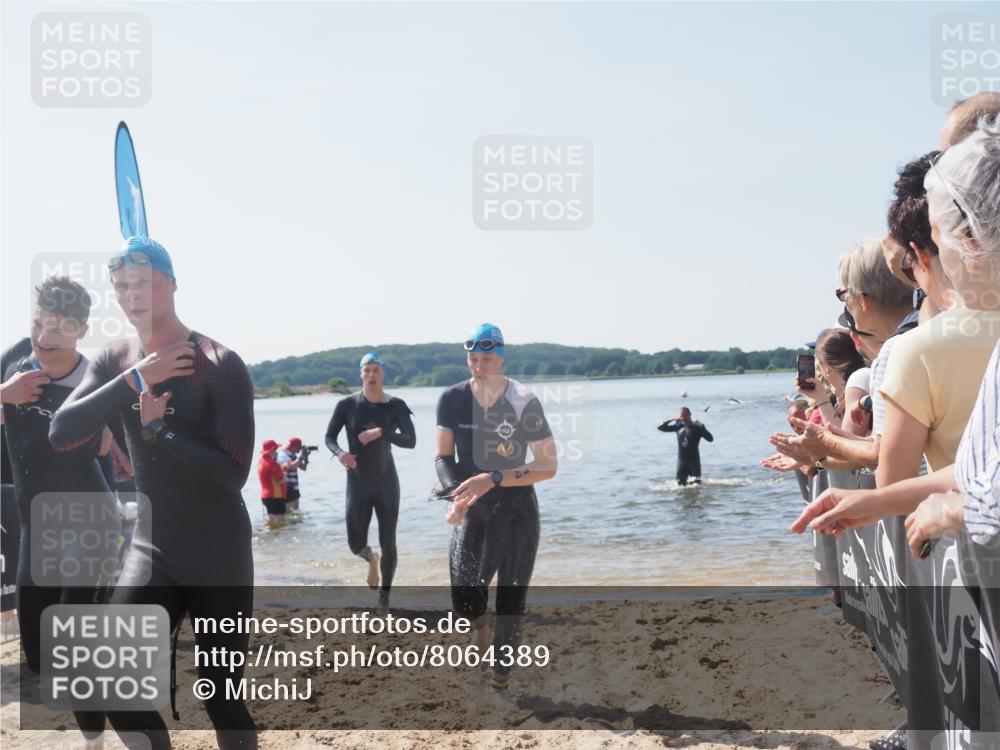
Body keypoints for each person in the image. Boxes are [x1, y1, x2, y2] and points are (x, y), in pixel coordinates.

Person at [50, 122, 256, 750]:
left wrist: (158, 431)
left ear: (170, 283)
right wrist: (136, 379)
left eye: (142, 282)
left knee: (221, 696)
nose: (131, 295)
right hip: (153, 546)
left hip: (218, 550)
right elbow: (63, 429)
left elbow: (232, 475)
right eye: (121, 286)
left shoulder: (220, 363)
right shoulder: (114, 360)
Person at [1, 276, 120, 750]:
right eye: (37, 323)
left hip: (88, 518)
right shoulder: (13, 362)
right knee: (39, 654)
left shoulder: (96, 379)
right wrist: (3, 395)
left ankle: (95, 742)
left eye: (58, 327)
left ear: (81, 330)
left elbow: (134, 434)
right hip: (36, 524)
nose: (43, 337)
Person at [434, 323, 557, 693]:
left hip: (518, 512)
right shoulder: (452, 398)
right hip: (474, 512)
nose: (479, 365)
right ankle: (478, 624)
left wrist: (495, 477)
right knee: (465, 600)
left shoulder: (523, 400)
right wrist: (456, 495)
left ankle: (499, 680)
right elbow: (442, 457)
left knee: (511, 601)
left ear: (501, 359)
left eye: (487, 358)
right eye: (473, 359)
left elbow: (547, 466)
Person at [325, 352, 415, 609]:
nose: (372, 375)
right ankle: (370, 559)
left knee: (389, 541)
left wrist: (381, 433)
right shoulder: (347, 405)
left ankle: (384, 598)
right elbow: (329, 437)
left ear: (383, 374)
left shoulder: (396, 406)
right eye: (367, 370)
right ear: (361, 374)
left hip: (386, 482)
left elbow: (411, 441)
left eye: (376, 370)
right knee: (355, 543)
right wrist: (341, 454)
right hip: (358, 481)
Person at [658, 406, 713, 486]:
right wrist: (672, 419)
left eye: (684, 415)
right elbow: (661, 428)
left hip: (694, 463)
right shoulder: (678, 427)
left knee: (696, 487)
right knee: (679, 486)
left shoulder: (697, 428)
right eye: (681, 416)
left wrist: (702, 426)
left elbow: (710, 439)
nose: (683, 418)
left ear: (689, 415)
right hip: (682, 463)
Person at [258, 439, 287, 526]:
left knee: (271, 522)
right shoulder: (273, 464)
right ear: (272, 450)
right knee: (280, 523)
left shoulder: (261, 461)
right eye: (276, 449)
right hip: (276, 496)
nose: (276, 451)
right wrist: (285, 476)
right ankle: (280, 539)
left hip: (265, 496)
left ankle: (272, 538)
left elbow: (270, 476)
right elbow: (281, 480)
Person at [275, 437, 306, 511]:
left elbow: (303, 468)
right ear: (294, 446)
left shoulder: (293, 455)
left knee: (296, 510)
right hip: (287, 488)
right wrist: (301, 456)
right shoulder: (283, 454)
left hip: (295, 487)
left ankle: (295, 523)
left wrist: (306, 456)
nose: (299, 450)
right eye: (299, 447)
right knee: (289, 511)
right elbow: (291, 466)